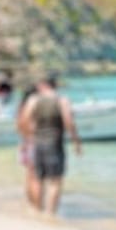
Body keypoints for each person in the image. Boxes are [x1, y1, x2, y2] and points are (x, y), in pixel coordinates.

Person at [22, 74, 82, 215]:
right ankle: (50, 212)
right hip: (55, 143)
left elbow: (24, 119)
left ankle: (37, 210)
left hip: (37, 142)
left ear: (43, 84)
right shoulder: (62, 100)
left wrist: (29, 137)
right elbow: (69, 122)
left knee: (38, 179)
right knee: (55, 180)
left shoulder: (33, 100)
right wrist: (76, 141)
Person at [15, 86, 39, 206]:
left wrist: (25, 139)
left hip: (24, 144)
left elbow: (18, 127)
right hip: (32, 143)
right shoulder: (33, 109)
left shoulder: (21, 109)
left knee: (29, 176)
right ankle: (38, 207)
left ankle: (31, 204)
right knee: (35, 177)